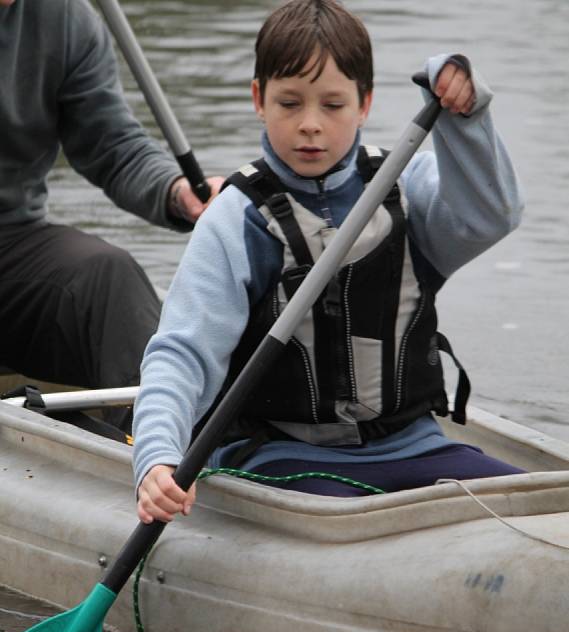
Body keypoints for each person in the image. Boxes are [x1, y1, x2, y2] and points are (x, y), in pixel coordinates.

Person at [133, 0, 524, 523]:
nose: (310, 126)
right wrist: (157, 456)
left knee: (536, 508)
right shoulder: (237, 219)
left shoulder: (406, 187)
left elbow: (493, 214)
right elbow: (183, 353)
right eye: (289, 103)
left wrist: (467, 116)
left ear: (364, 105)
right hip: (283, 455)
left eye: (333, 105)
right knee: (347, 521)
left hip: (414, 447)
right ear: (258, 100)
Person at [0, 0, 222, 430]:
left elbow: (113, 145)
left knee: (109, 275)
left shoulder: (67, 18)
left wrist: (178, 192)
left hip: (14, 244)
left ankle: (162, 448)